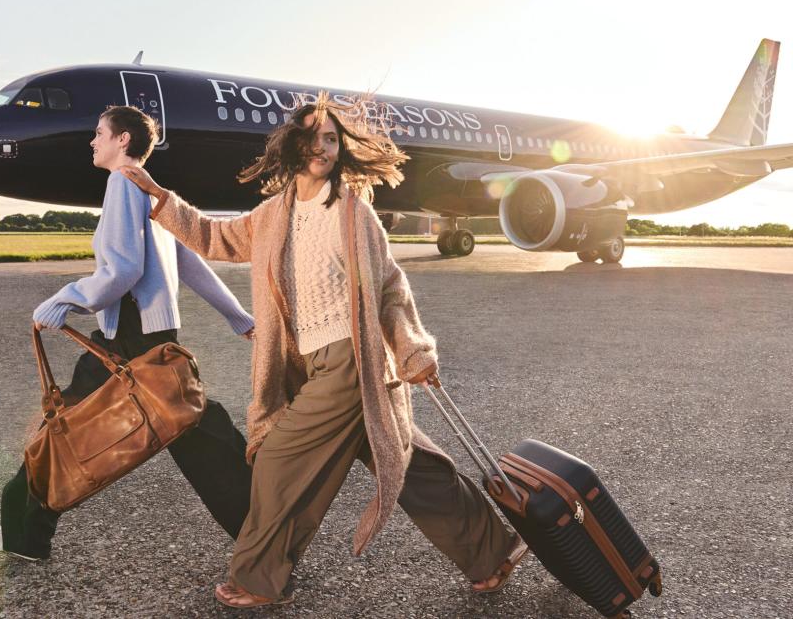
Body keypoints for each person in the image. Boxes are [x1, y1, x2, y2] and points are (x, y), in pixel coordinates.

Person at [120, 93, 528, 609]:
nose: (323, 147)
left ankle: (258, 576)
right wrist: (161, 199)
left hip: (349, 360)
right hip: (310, 364)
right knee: (406, 461)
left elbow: (389, 288)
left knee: (278, 462)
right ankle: (494, 551)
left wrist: (413, 348)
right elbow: (213, 237)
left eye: (331, 138)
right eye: (313, 137)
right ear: (294, 145)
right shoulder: (274, 215)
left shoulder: (354, 214)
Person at [0, 105, 255, 560]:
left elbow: (124, 269)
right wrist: (237, 314)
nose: (93, 141)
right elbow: (188, 261)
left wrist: (67, 298)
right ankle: (266, 531)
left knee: (63, 428)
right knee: (201, 434)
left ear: (123, 140)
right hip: (153, 335)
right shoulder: (151, 191)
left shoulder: (124, 183)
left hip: (129, 337)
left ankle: (25, 534)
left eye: (99, 133)